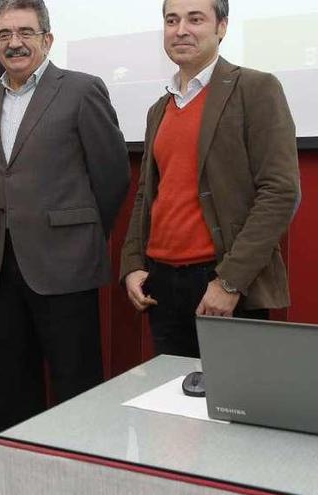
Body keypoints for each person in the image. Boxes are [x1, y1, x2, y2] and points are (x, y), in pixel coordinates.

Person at [0, 0, 130, 434]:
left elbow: (112, 175)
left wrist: (79, 236)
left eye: (25, 32)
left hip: (66, 265)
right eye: (4, 34)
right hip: (1, 269)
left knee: (75, 386)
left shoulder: (81, 89)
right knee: (9, 386)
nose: (14, 43)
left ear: (47, 38)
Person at [120, 0, 300, 357]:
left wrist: (229, 282)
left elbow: (280, 193)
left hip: (221, 281)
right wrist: (133, 264)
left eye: (195, 19)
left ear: (222, 27)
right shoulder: (160, 109)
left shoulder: (256, 89)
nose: (181, 29)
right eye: (172, 20)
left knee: (232, 408)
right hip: (161, 285)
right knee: (171, 405)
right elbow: (146, 195)